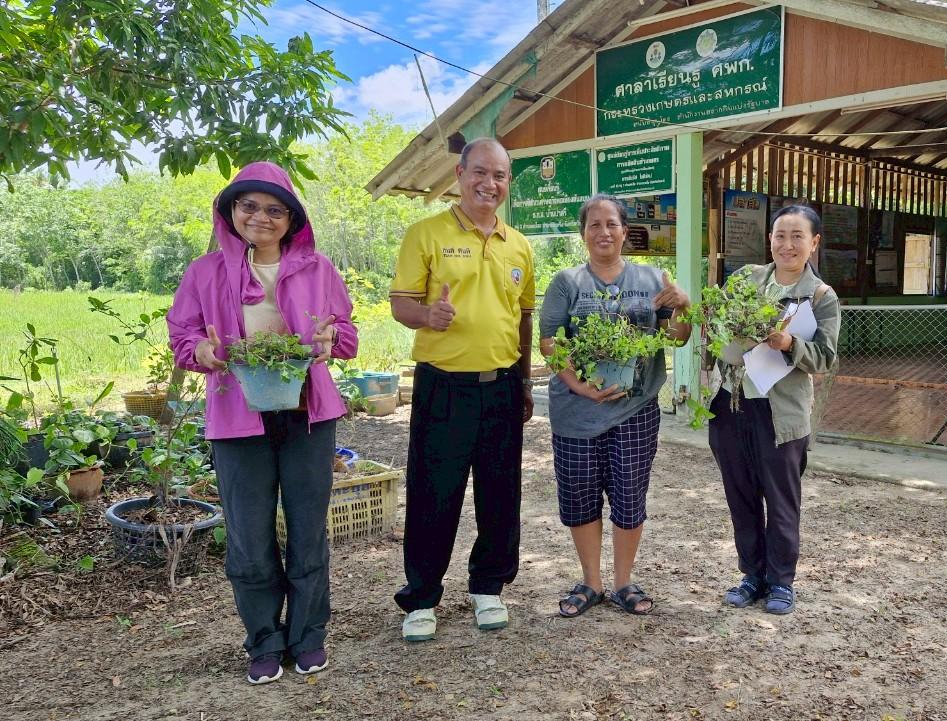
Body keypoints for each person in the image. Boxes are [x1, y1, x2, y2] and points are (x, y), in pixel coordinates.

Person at [168, 161, 359, 684]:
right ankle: (264, 641)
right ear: (231, 211)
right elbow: (183, 335)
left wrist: (331, 339)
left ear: (292, 219)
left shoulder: (318, 269)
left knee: (308, 533)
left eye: (275, 210)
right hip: (237, 421)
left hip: (307, 418)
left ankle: (308, 636)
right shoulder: (204, 272)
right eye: (248, 206)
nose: (261, 217)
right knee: (249, 538)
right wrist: (200, 350)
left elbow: (346, 335)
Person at [390, 138, 536, 641]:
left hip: (501, 386)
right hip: (443, 386)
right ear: (460, 174)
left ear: (507, 182)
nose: (488, 184)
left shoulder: (518, 245)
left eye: (499, 176)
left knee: (501, 491)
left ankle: (489, 587)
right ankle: (422, 596)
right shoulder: (426, 234)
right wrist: (427, 315)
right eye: (480, 173)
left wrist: (524, 379)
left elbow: (523, 315)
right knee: (434, 491)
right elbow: (401, 304)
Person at [539, 195, 691, 617]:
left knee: (629, 496)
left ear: (625, 231)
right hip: (577, 413)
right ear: (583, 233)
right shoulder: (566, 282)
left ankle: (624, 582)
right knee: (580, 496)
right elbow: (549, 343)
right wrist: (581, 387)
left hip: (635, 411)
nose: (603, 232)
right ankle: (591, 582)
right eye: (594, 225)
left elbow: (677, 338)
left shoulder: (651, 278)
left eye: (611, 224)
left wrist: (683, 304)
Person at [708, 204, 840, 616]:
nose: (787, 244)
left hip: (781, 415)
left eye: (798, 236)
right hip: (732, 404)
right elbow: (716, 325)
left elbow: (826, 357)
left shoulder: (820, 296)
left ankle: (781, 581)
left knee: (782, 501)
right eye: (780, 235)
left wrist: (790, 345)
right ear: (770, 240)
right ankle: (752, 575)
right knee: (741, 496)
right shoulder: (746, 280)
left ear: (814, 243)